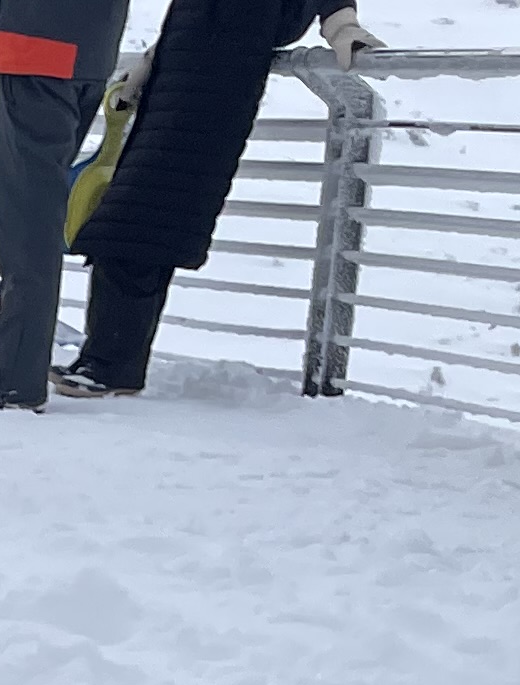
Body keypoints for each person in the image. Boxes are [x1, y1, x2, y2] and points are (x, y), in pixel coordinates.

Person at [57, 0, 374, 398]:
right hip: (174, 101)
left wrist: (344, 28)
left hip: (209, 109)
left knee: (134, 235)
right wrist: (145, 71)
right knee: (132, 234)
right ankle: (107, 361)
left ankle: (110, 365)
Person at [0, 0, 133, 410]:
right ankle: (16, 366)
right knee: (38, 213)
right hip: (91, 50)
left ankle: (13, 374)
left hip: (34, 46)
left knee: (27, 220)